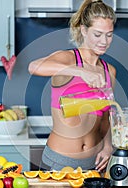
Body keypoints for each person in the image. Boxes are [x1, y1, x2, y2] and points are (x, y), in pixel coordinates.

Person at [28, 0, 116, 172]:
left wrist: (107, 146)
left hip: (94, 162)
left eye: (109, 34)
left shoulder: (109, 71)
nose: (104, 41)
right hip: (60, 162)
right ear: (84, 30)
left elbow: (105, 118)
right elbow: (33, 66)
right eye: (98, 34)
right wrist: (80, 71)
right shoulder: (69, 59)